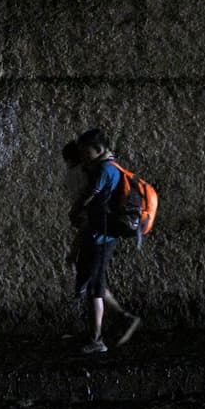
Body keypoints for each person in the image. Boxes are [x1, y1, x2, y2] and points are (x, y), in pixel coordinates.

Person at [70, 129, 142, 354]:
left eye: (86, 152)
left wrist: (76, 209)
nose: (83, 156)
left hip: (102, 236)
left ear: (98, 149)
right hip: (103, 234)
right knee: (96, 283)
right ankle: (123, 319)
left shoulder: (104, 169)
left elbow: (93, 194)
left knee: (95, 288)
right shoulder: (113, 167)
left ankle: (97, 339)